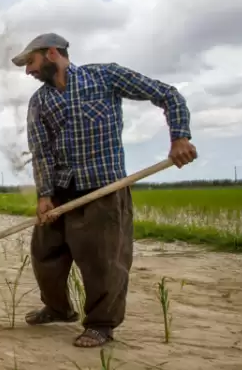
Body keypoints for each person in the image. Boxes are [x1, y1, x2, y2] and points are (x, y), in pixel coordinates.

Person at [11, 33, 197, 348]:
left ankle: (101, 325)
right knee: (45, 255)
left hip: (104, 189)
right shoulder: (39, 101)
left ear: (53, 53)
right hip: (60, 191)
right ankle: (58, 309)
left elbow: (167, 94)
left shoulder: (105, 76)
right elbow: (40, 151)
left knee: (103, 261)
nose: (27, 71)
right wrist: (44, 195)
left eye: (31, 61)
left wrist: (179, 137)